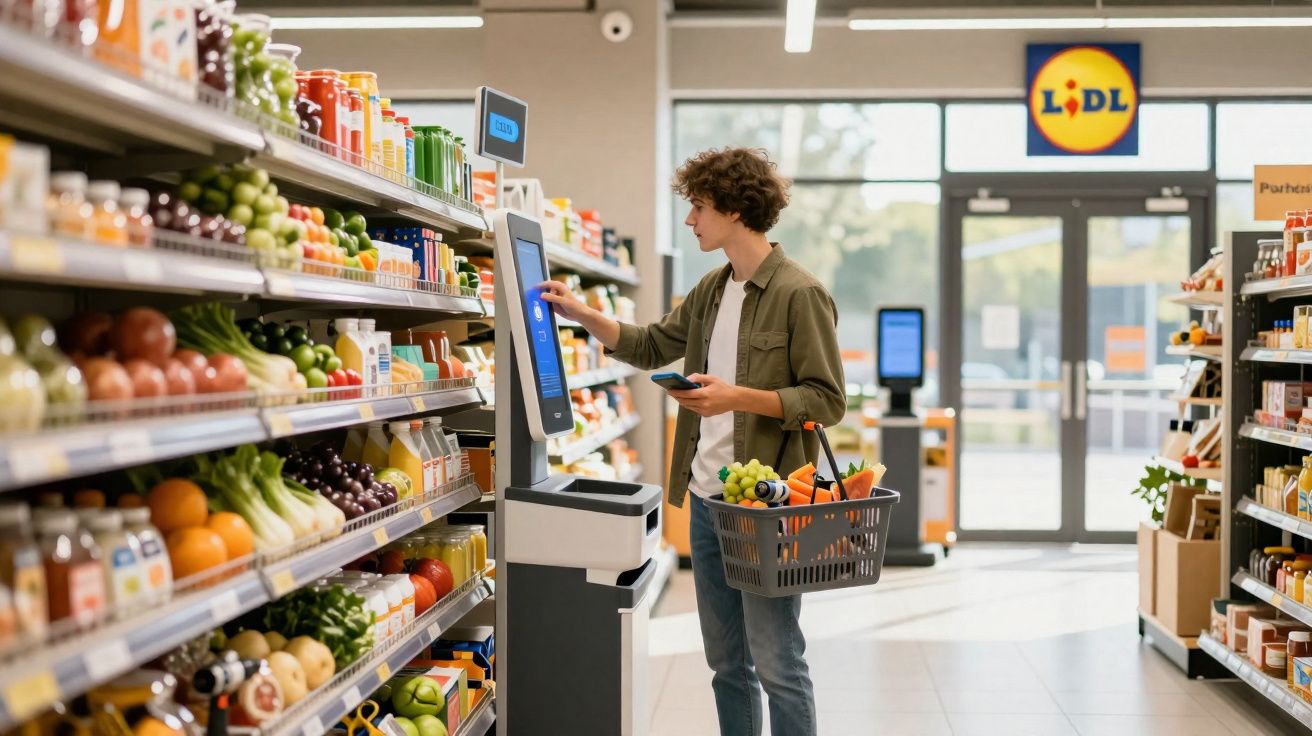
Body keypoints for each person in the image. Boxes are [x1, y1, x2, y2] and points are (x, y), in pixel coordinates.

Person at [538, 147, 845, 736]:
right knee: (727, 664)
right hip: (708, 503)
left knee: (779, 661)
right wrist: (580, 312)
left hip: (766, 509)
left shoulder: (799, 294)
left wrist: (737, 398)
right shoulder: (712, 288)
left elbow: (826, 399)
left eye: (698, 207)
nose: (690, 220)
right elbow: (651, 344)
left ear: (734, 209)